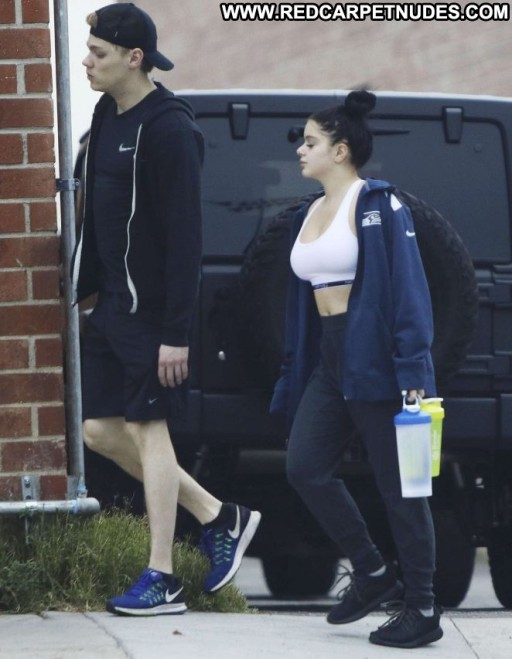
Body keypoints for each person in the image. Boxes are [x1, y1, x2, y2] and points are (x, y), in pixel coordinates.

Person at [71, 3, 260, 616]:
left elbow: (185, 239)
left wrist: (175, 332)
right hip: (110, 309)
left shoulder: (171, 129)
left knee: (150, 432)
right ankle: (217, 514)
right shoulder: (106, 114)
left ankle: (163, 577)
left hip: (153, 316)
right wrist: (88, 289)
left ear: (134, 58)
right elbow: (101, 213)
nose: (86, 62)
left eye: (98, 53)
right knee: (97, 431)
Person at [270, 90, 443, 648]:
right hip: (330, 358)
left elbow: (408, 288)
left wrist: (412, 369)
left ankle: (423, 606)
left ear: (340, 150)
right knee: (304, 467)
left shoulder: (379, 205)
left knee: (402, 487)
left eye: (311, 142)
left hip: (378, 359)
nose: (301, 150)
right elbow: (300, 304)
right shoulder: (307, 212)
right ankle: (372, 571)